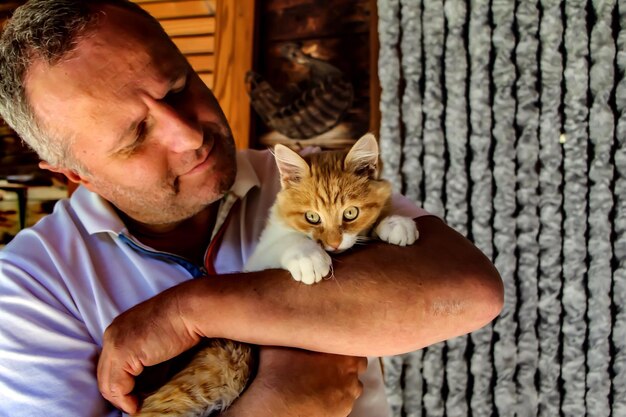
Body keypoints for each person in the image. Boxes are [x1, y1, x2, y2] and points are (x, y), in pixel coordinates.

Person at [0, 1, 504, 416]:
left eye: (179, 87)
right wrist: (281, 401)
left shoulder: (299, 181)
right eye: (135, 135)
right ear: (72, 174)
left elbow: (471, 293)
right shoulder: (27, 289)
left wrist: (189, 311)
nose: (191, 135)